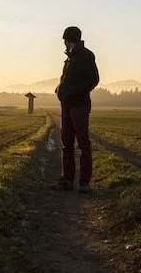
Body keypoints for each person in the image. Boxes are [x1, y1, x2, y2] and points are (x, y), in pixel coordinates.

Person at [51, 26, 99, 193]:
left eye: (64, 40)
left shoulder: (86, 56)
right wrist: (60, 88)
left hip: (79, 105)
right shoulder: (70, 58)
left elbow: (93, 80)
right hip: (67, 105)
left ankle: (84, 183)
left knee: (83, 143)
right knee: (67, 143)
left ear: (69, 40)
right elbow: (67, 80)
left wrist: (71, 92)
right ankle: (67, 180)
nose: (63, 43)